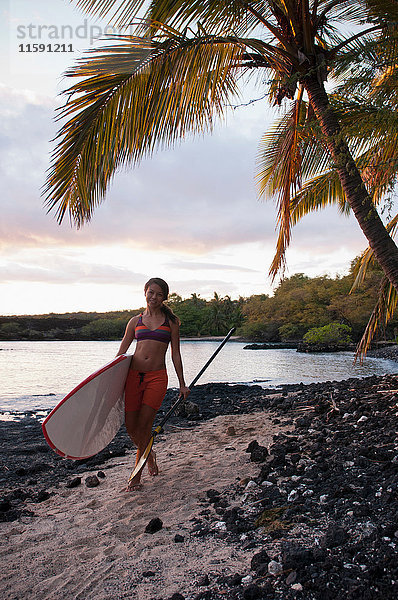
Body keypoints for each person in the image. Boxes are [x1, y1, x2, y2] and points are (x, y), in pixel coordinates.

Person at [116, 277, 190, 490]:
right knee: (131, 428)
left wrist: (182, 384)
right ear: (145, 293)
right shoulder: (134, 321)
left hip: (157, 378)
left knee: (145, 426)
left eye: (159, 294)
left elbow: (176, 354)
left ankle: (136, 478)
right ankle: (150, 454)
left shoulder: (171, 323)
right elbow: (121, 354)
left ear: (164, 297)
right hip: (133, 377)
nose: (154, 297)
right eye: (151, 292)